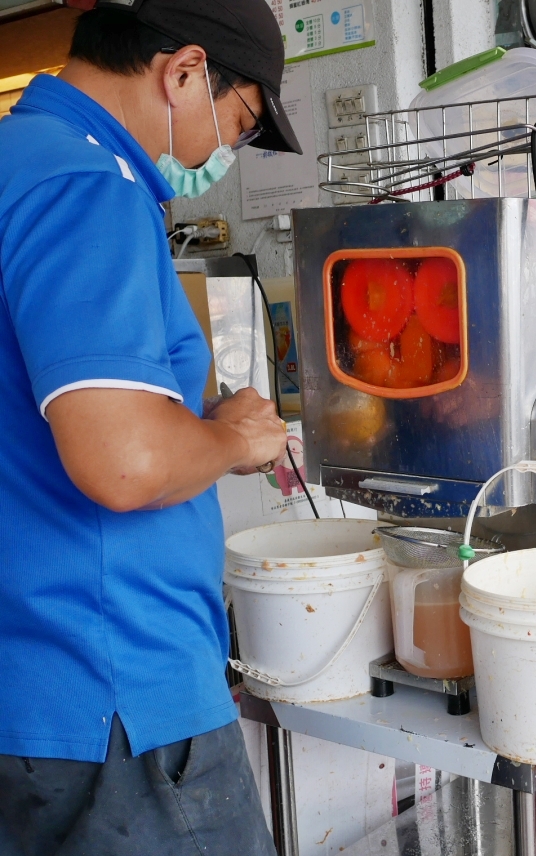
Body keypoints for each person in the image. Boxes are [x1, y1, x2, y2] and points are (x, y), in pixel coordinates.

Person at [0, 2, 302, 853]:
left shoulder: (15, 161)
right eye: (238, 125)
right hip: (115, 696)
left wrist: (187, 424)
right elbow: (124, 462)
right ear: (184, 73)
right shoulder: (87, 186)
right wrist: (233, 441)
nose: (220, 156)